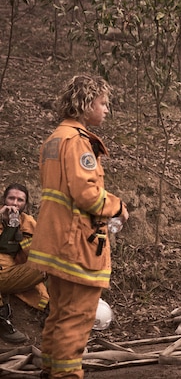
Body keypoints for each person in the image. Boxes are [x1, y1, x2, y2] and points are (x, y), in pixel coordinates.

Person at [29, 75, 129, 379]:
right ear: (86, 105)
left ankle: (51, 371)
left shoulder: (54, 139)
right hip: (76, 246)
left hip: (55, 242)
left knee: (59, 317)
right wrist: (118, 206)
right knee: (76, 319)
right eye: (102, 103)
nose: (106, 109)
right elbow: (86, 194)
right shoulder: (76, 142)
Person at [0, 183, 49, 343]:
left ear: (25, 204)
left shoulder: (28, 223)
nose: (14, 203)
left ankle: (58, 312)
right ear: (4, 199)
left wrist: (17, 232)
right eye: (11, 198)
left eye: (20, 200)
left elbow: (38, 254)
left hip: (14, 274)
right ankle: (3, 322)